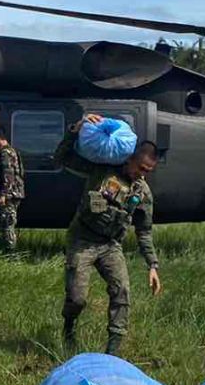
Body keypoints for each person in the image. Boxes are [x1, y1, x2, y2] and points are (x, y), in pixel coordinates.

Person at [54, 114, 162, 356]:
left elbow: (144, 230)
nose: (143, 175)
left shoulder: (141, 192)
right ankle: (69, 327)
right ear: (130, 159)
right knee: (77, 298)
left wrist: (152, 266)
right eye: (141, 168)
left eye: (149, 171)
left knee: (122, 290)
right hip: (82, 239)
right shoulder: (101, 170)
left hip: (111, 245)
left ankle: (112, 352)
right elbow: (61, 158)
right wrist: (76, 128)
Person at [0, 124, 26, 251]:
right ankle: (8, 250)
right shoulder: (13, 151)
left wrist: (3, 194)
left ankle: (11, 254)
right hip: (14, 192)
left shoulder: (5, 153)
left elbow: (8, 174)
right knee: (6, 223)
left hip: (9, 195)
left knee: (7, 225)